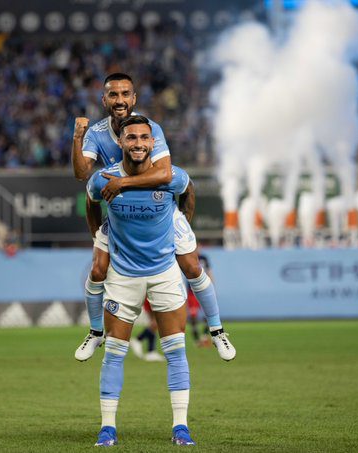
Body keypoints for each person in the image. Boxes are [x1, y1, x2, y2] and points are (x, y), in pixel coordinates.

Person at [72, 73, 235, 362]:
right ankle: (96, 332)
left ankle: (217, 330)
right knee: (97, 270)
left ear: (134, 98)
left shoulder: (148, 128)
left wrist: (123, 184)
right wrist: (77, 137)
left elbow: (164, 174)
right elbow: (82, 174)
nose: (120, 100)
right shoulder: (96, 132)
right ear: (105, 100)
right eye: (113, 95)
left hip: (159, 209)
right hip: (123, 214)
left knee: (193, 266)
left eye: (125, 94)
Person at [87, 115, 196, 446]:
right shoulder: (102, 178)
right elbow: (92, 201)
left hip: (163, 273)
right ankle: (107, 428)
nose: (137, 143)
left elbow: (189, 193)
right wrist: (98, 236)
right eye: (130, 137)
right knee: (115, 352)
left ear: (153, 143)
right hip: (123, 275)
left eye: (143, 138)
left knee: (176, 350)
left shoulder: (170, 177)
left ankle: (181, 427)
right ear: (120, 143)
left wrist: (181, 226)